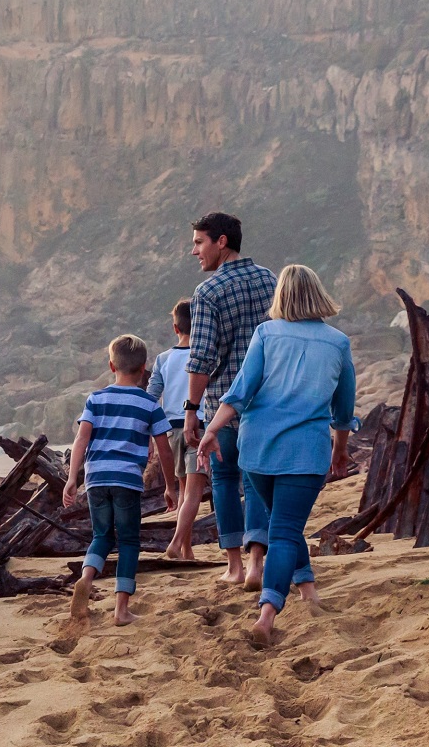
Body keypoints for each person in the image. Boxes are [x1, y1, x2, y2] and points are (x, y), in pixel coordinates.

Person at [195, 264, 357, 648]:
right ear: (318, 294)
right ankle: (266, 615)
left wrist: (212, 429)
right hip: (305, 452)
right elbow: (344, 409)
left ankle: (308, 589)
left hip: (258, 450)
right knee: (284, 529)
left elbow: (239, 391)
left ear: (281, 296)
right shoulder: (338, 343)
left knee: (284, 526)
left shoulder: (266, 334)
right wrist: (340, 451)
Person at [183, 212, 277, 588]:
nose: (194, 252)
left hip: (222, 405)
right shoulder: (270, 279)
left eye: (199, 242)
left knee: (222, 479)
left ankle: (234, 567)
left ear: (222, 241)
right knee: (256, 481)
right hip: (265, 404)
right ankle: (257, 565)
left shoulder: (208, 292)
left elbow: (202, 357)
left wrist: (190, 411)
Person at [64, 335, 179, 627]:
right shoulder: (149, 403)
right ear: (144, 369)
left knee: (102, 536)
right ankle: (121, 610)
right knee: (128, 541)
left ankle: (87, 578)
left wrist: (71, 479)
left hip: (97, 478)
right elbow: (164, 448)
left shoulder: (96, 399)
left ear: (111, 365)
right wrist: (170, 485)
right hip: (127, 479)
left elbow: (82, 438)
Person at [147, 299, 207, 560]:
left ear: (175, 328)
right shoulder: (204, 355)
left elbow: (151, 396)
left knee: (183, 492)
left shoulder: (163, 359)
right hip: (198, 429)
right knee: (193, 494)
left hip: (171, 432)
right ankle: (174, 544)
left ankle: (187, 549)